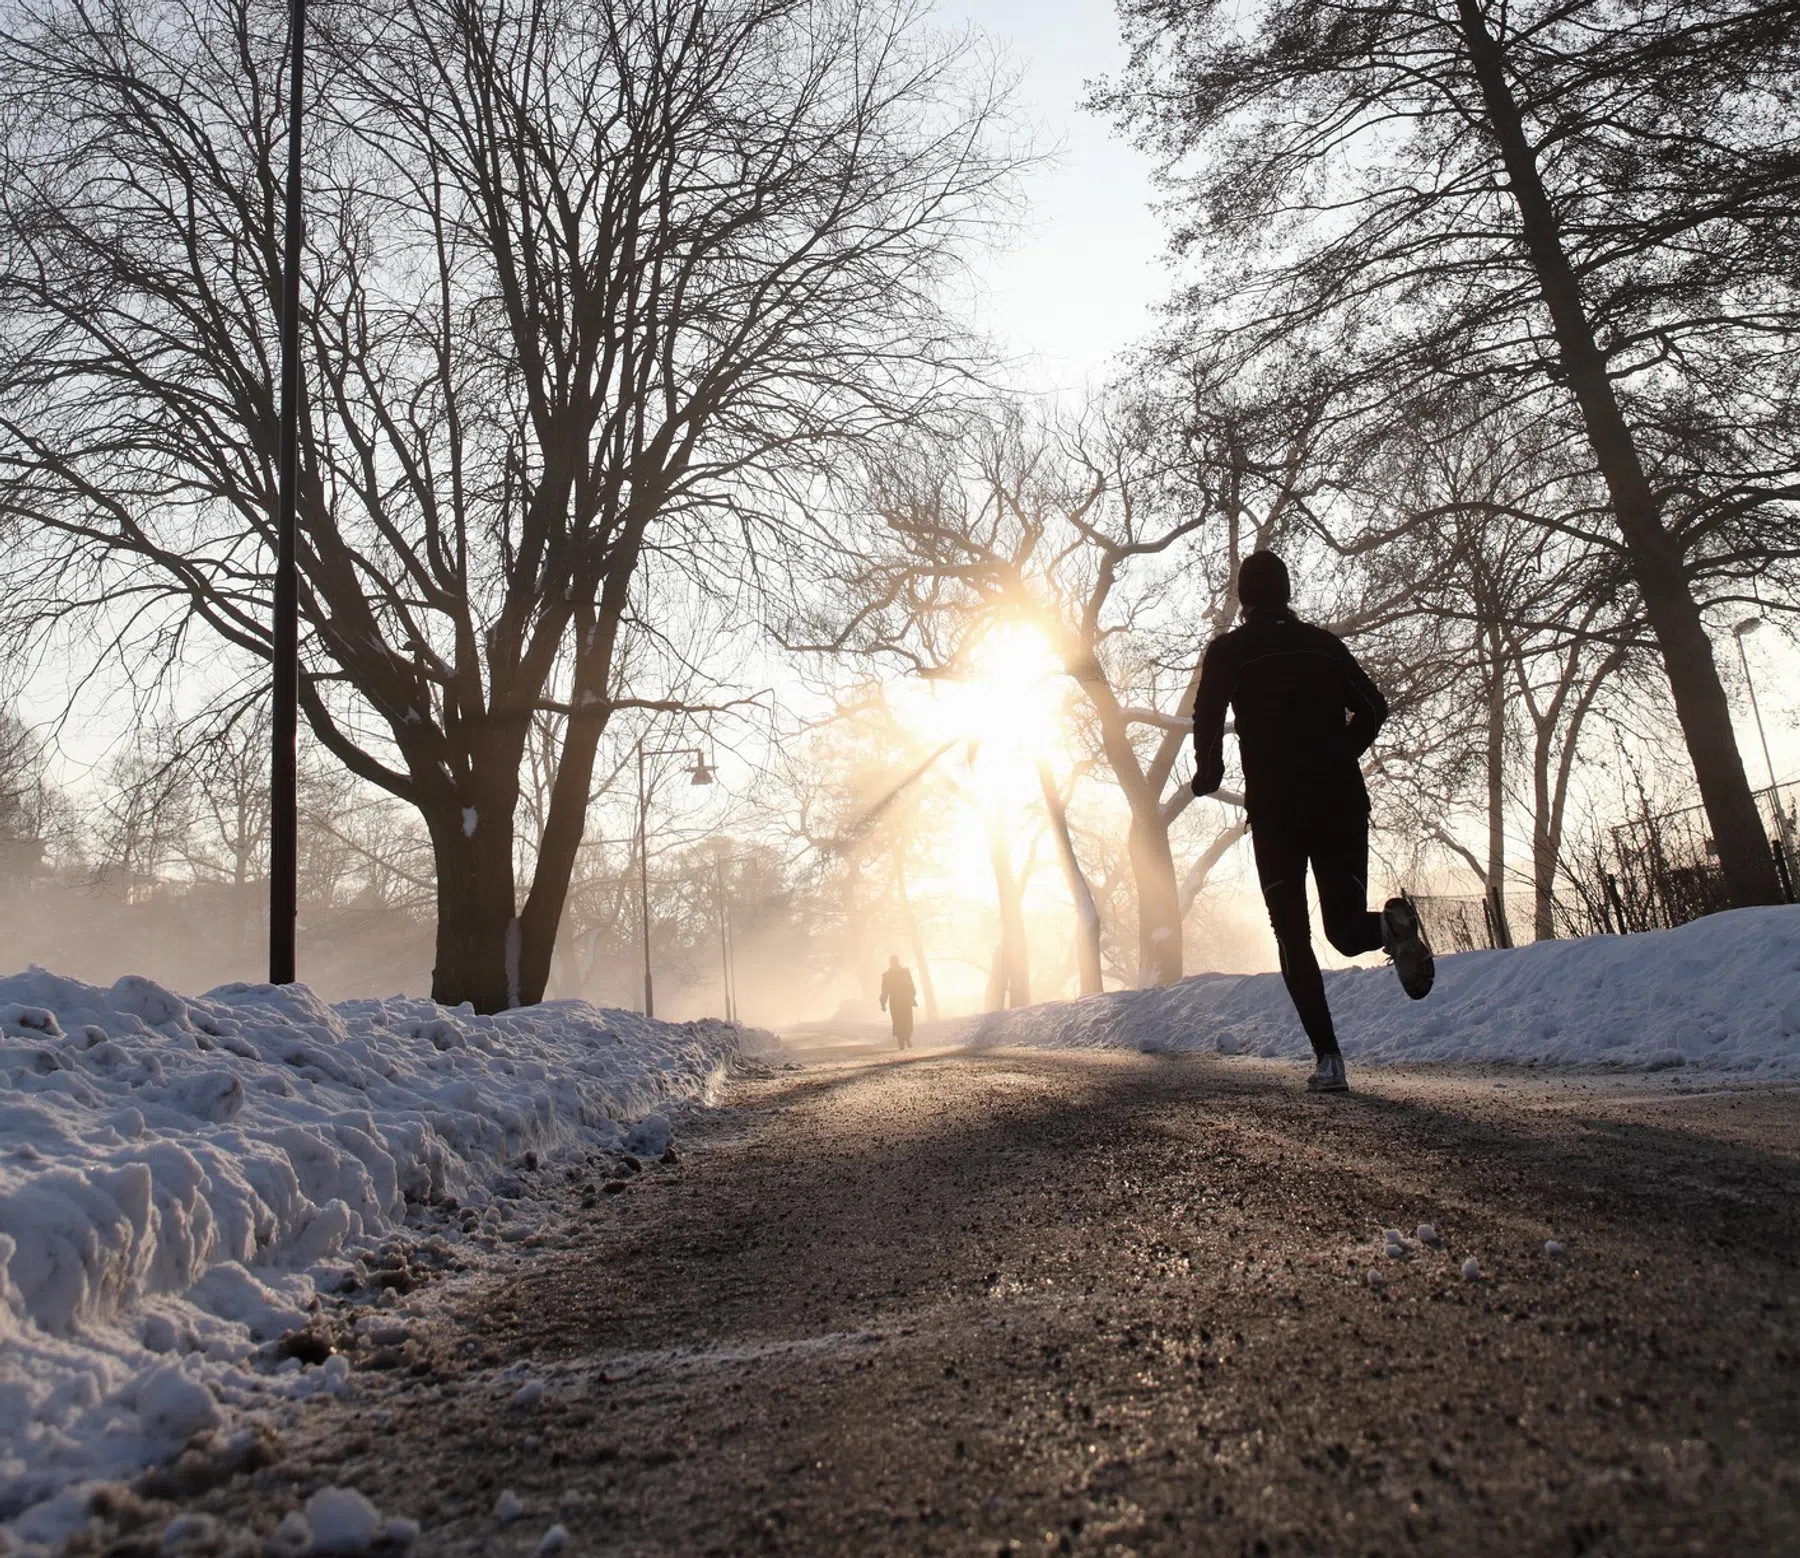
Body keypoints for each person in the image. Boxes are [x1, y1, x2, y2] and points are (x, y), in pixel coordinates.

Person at [1190, 551, 1434, 1093]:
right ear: (1287, 592)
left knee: (1293, 934)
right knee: (1344, 929)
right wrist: (1339, 755)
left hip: (1278, 810)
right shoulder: (1324, 645)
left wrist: (1208, 773)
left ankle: (1329, 1061)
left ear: (1244, 599)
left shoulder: (1231, 650)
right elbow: (1373, 706)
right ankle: (1388, 927)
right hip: (1340, 801)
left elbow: (1207, 715)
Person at [879, 955, 918, 1052]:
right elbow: (885, 990)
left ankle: (905, 1038)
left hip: (902, 1000)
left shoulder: (903, 972)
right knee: (900, 1021)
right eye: (893, 962)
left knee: (904, 1020)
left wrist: (912, 997)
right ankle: (903, 1041)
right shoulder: (889, 975)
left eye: (895, 961)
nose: (894, 963)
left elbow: (910, 985)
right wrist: (883, 1003)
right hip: (898, 1001)